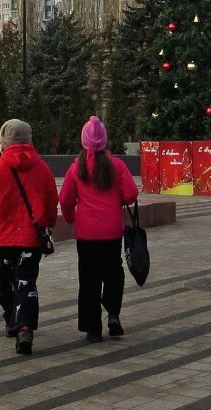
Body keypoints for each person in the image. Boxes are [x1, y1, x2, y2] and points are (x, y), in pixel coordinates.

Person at [0, 119, 59, 356]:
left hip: (5, 240)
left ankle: (15, 321)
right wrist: (49, 222)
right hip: (32, 238)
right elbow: (52, 199)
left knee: (6, 284)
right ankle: (23, 325)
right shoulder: (41, 168)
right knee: (26, 282)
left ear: (4, 141)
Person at [59, 115, 139, 343]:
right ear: (105, 141)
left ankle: (92, 328)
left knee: (88, 279)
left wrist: (70, 216)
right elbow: (131, 195)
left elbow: (65, 199)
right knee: (114, 273)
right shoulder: (117, 166)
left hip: (86, 234)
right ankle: (113, 315)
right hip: (112, 232)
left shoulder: (76, 169)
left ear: (83, 141)